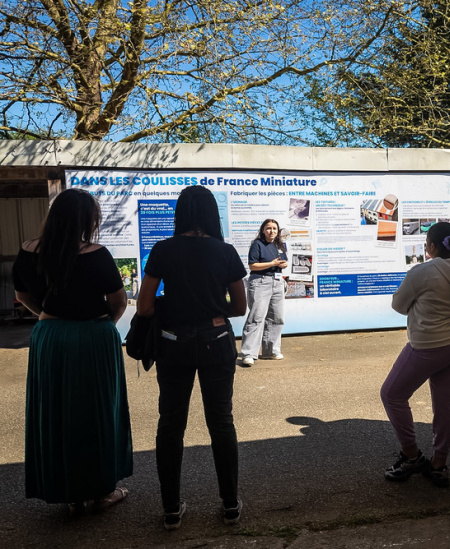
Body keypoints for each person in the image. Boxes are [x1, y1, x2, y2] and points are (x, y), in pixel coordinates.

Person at [12, 188, 132, 514]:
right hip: (93, 336)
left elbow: (22, 296)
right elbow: (119, 302)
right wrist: (103, 325)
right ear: (86, 220)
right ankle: (102, 491)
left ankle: (67, 491)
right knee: (97, 411)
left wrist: (48, 314)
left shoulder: (28, 250)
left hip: (49, 336)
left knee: (56, 410)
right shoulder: (96, 254)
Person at [137, 186, 248, 530]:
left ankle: (171, 510)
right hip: (216, 340)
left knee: (171, 424)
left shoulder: (163, 249)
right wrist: (213, 307)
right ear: (212, 214)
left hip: (174, 344)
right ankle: (230, 505)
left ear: (180, 213)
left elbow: (144, 307)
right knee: (221, 421)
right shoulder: (225, 251)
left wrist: (174, 306)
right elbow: (240, 307)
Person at [381, 222, 450, 488]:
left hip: (428, 345)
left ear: (431, 246)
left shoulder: (422, 272)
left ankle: (411, 456)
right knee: (445, 403)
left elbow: (399, 305)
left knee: (392, 394)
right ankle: (439, 463)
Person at [240, 219, 289, 366]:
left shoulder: (279, 245)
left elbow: (284, 261)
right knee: (256, 318)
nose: (272, 231)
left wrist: (284, 264)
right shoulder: (257, 244)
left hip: (277, 282)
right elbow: (253, 265)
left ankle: (270, 351)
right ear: (263, 230)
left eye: (274, 228)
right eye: (268, 228)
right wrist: (272, 263)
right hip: (260, 282)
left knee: (277, 317)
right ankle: (248, 354)